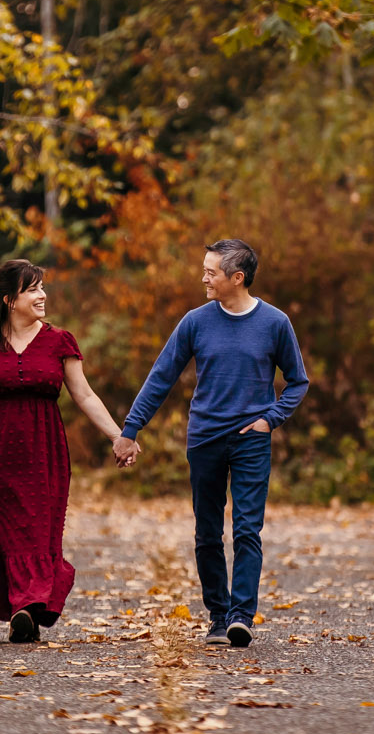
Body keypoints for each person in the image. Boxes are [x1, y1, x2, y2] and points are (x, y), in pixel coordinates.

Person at [113, 239, 308, 648]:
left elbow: (297, 382)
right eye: (203, 269)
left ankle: (241, 617)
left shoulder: (275, 323)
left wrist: (268, 420)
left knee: (247, 530)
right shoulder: (195, 322)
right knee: (207, 533)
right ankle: (218, 616)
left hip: (251, 440)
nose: (203, 277)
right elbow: (161, 376)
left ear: (237, 278)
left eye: (211, 271)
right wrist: (131, 430)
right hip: (204, 439)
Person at [0, 258, 134, 644]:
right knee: (7, 533)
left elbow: (84, 394)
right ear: (9, 300)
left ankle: (27, 608)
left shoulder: (58, 341)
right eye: (33, 289)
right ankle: (22, 608)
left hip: (44, 456)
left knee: (37, 532)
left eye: (42, 286)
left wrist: (120, 435)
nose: (42, 295)